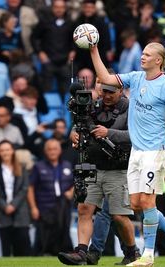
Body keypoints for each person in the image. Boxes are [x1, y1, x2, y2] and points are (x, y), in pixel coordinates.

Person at [87, 42, 165, 266]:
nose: (142, 57)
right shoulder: (135, 77)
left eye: (147, 54)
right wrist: (94, 50)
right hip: (137, 152)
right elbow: (105, 77)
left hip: (156, 151)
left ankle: (148, 256)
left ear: (158, 60)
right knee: (136, 204)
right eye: (142, 53)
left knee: (147, 200)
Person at [58, 83, 137, 265]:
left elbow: (137, 135)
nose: (107, 95)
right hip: (92, 165)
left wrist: (109, 132)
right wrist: (74, 133)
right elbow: (80, 125)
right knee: (84, 209)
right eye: (104, 91)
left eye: (111, 92)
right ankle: (81, 251)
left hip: (118, 169)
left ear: (121, 90)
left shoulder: (132, 108)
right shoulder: (93, 106)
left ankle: (132, 253)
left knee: (119, 216)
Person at [28, 139, 74, 256]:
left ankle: (64, 256)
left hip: (64, 208)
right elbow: (30, 188)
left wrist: (72, 191)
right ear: (45, 151)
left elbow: (76, 183)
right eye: (49, 149)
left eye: (55, 149)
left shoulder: (67, 165)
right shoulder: (38, 166)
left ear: (59, 150)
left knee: (63, 233)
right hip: (45, 207)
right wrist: (33, 208)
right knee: (43, 237)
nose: (52, 152)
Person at [0, 140, 31, 256]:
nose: (5, 152)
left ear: (12, 151)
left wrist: (13, 205)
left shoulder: (22, 168)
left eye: (7, 149)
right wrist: (5, 206)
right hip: (2, 213)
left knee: (23, 249)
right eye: (2, 150)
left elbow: (24, 188)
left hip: (20, 212)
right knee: (6, 249)